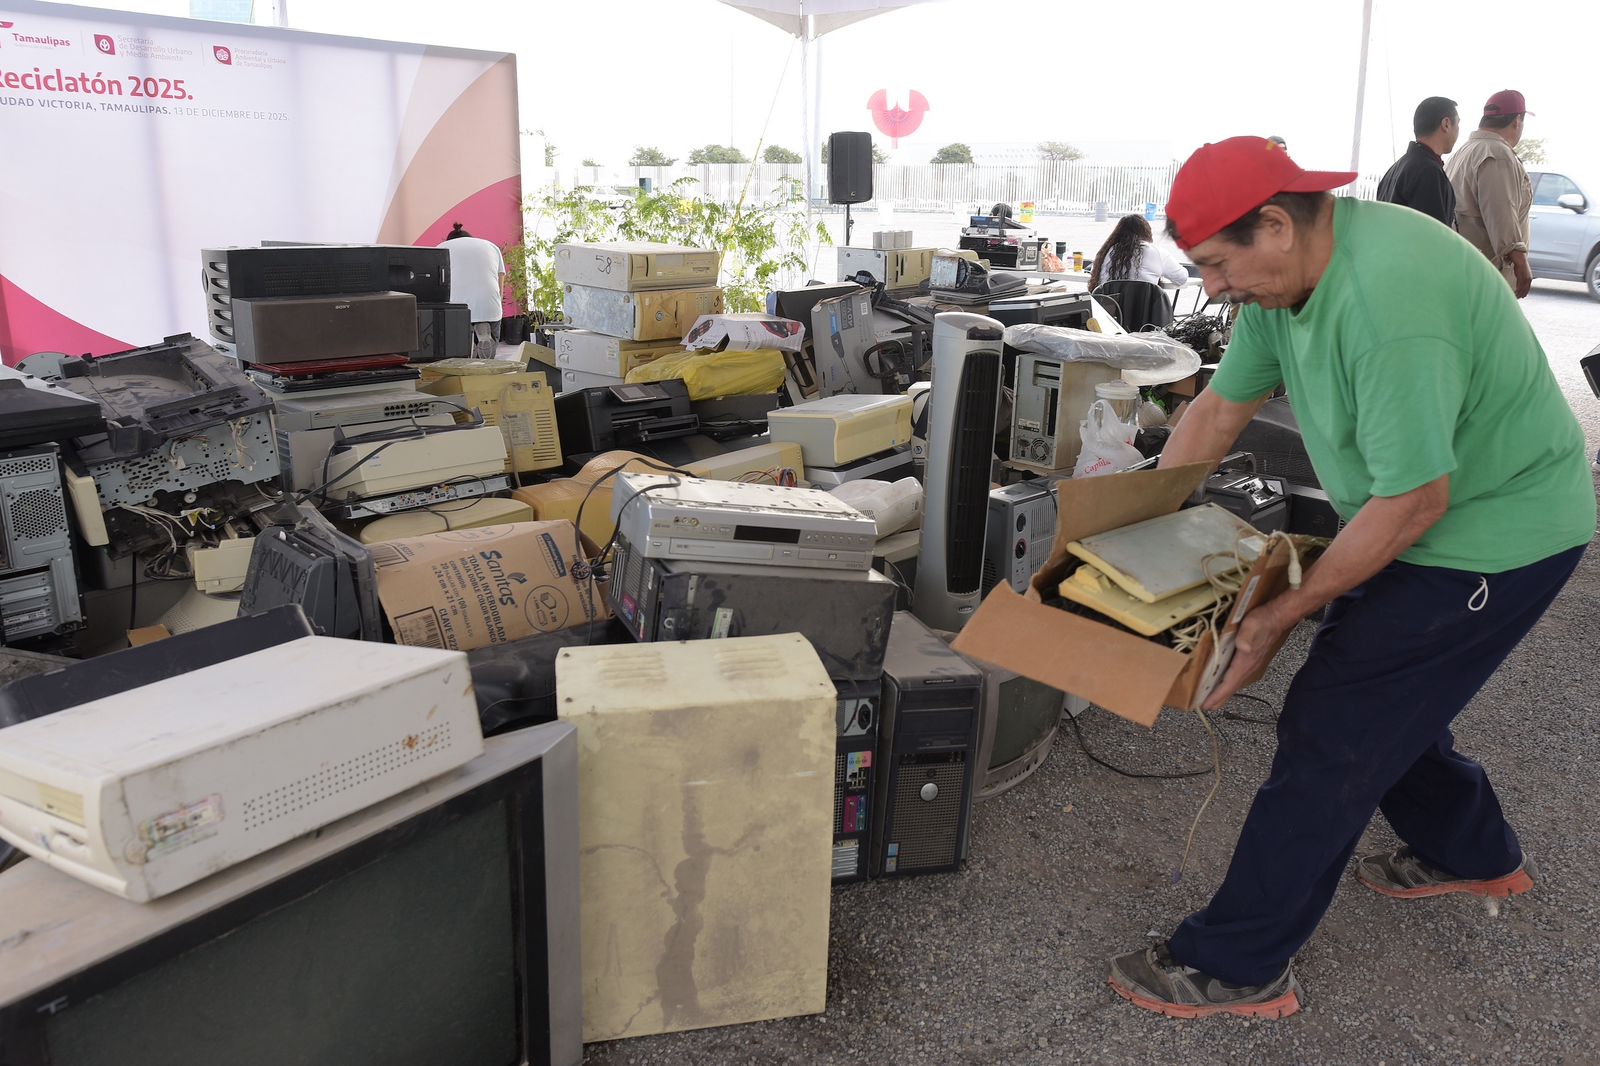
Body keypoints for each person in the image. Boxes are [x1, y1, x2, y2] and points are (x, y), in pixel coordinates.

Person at [1105, 136, 1595, 1020]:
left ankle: (1239, 963)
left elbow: (1416, 501)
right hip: (1414, 516)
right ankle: (1471, 852)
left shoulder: (1388, 303)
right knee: (1385, 698)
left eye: (1217, 264)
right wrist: (1131, 539)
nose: (1210, 286)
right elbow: (1215, 413)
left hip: (1496, 532)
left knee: (1333, 723)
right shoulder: (1286, 281)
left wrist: (1278, 615)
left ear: (1275, 226)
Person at [1446, 90, 1534, 298]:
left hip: (1464, 266)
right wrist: (1520, 262)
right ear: (1517, 122)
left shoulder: (1465, 151)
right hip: (1487, 275)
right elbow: (1501, 213)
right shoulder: (1497, 154)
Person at [1376, 96, 1460, 226]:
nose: (1458, 130)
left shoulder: (1395, 169)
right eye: (1458, 123)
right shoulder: (1428, 172)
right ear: (1446, 124)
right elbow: (1432, 234)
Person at [441, 222, 507, 357]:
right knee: (488, 359)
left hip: (458, 308)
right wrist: (498, 302)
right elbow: (501, 277)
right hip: (490, 306)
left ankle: (468, 345)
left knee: (458, 347)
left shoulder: (442, 248)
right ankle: (484, 343)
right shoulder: (491, 246)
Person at [1087, 214, 1190, 291]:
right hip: (1144, 313)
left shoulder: (1107, 252)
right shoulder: (1157, 253)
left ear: (1117, 233)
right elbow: (1182, 278)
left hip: (1109, 312)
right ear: (1147, 232)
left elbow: (1094, 273)